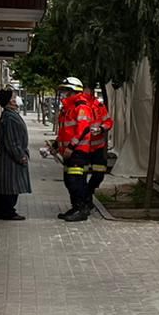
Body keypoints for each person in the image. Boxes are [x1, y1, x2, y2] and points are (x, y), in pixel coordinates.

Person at [54, 76, 112, 223]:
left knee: (78, 179)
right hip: (75, 150)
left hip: (84, 150)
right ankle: (77, 206)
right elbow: (65, 131)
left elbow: (82, 128)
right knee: (70, 180)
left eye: (66, 91)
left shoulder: (83, 106)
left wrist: (72, 147)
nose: (63, 94)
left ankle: (82, 206)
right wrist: (56, 146)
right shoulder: (68, 107)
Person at [0, 89, 31, 220]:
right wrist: (21, 156)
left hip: (6, 157)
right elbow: (12, 141)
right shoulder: (9, 118)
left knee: (4, 186)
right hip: (9, 159)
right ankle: (7, 211)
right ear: (9, 102)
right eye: (13, 97)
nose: (16, 99)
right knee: (10, 186)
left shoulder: (10, 115)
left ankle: (0, 211)